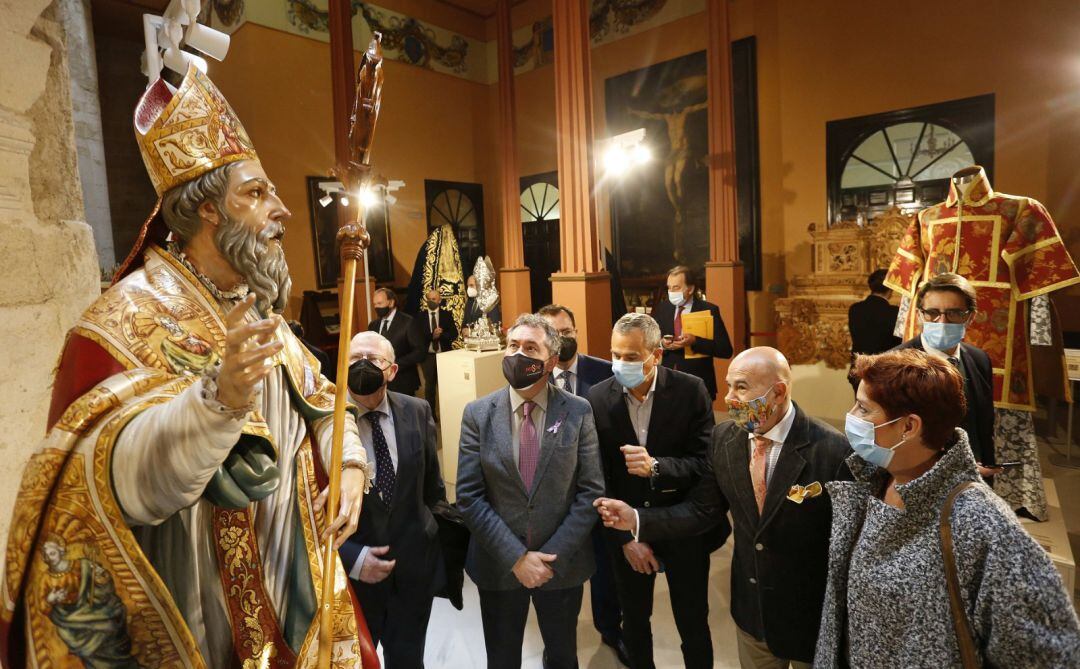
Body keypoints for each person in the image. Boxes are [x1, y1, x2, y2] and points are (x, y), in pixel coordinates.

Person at [3, 66, 376, 666]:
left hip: (293, 598)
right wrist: (216, 403)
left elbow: (323, 401)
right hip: (198, 614)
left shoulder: (258, 314)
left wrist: (350, 465)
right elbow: (122, 479)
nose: (281, 209)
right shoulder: (123, 321)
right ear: (206, 210)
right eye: (256, 194)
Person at [815, 350, 1080, 667]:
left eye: (863, 408)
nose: (851, 415)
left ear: (908, 427)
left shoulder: (981, 521)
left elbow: (1050, 655)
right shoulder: (872, 483)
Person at [596, 347, 852, 668]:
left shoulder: (831, 449)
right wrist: (636, 519)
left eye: (741, 387)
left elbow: (846, 546)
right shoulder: (725, 438)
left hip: (810, 616)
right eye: (728, 385)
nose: (729, 398)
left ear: (779, 391)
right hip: (751, 614)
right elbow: (702, 510)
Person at [456, 313, 605, 669]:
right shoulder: (478, 414)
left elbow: (590, 491)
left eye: (530, 348)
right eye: (513, 345)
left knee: (562, 657)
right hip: (499, 565)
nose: (517, 354)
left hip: (561, 565)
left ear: (551, 361)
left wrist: (548, 559)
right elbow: (469, 496)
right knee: (502, 659)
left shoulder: (577, 411)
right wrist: (517, 559)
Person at [587, 313, 715, 669]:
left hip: (681, 528)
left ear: (655, 355)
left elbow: (705, 465)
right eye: (615, 355)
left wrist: (657, 466)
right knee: (635, 623)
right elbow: (598, 478)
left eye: (630, 357)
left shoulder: (690, 391)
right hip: (626, 532)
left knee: (693, 622)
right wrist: (627, 538)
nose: (620, 364)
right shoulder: (597, 398)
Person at [340, 331, 447, 668]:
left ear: (392, 371)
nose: (362, 365)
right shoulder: (325, 423)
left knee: (409, 661)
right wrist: (353, 558)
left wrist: (429, 543)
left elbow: (432, 489)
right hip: (352, 581)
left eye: (372, 359)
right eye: (354, 359)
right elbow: (307, 510)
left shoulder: (417, 410)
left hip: (412, 575)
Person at [538, 304, 627, 665]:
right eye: (555, 334)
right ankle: (558, 646)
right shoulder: (531, 377)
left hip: (603, 492)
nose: (564, 339)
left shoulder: (607, 373)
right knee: (560, 582)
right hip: (556, 502)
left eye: (568, 331)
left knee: (608, 572)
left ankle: (611, 629)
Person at [892, 273, 998, 477]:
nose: (942, 321)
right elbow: (892, 438)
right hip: (918, 479)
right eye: (932, 312)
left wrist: (987, 466)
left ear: (970, 316)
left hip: (974, 479)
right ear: (920, 315)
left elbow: (984, 426)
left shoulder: (979, 359)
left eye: (954, 313)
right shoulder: (894, 364)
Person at [651, 265, 733, 400]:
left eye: (676, 288)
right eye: (669, 288)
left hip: (699, 383)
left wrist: (695, 341)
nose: (671, 292)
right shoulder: (663, 308)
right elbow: (650, 339)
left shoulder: (709, 310)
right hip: (668, 382)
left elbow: (725, 350)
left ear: (690, 289)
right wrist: (662, 344)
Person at [847, 269, 900, 391]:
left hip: (858, 369)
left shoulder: (855, 309)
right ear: (890, 288)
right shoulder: (894, 312)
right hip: (884, 372)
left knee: (861, 407)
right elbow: (899, 343)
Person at [368, 287, 426, 396]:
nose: (376, 307)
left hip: (403, 382)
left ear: (391, 302)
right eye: (374, 304)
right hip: (380, 384)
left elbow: (420, 352)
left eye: (380, 303)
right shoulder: (373, 325)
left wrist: (395, 365)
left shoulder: (408, 322)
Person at [418, 288, 458, 418]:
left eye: (434, 299)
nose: (431, 301)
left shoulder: (447, 314)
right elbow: (417, 337)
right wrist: (432, 336)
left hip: (444, 355)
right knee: (429, 386)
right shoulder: (421, 316)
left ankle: (447, 413)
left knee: (445, 385)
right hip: (428, 356)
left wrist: (441, 335)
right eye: (429, 299)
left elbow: (454, 334)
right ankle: (431, 415)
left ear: (439, 300)